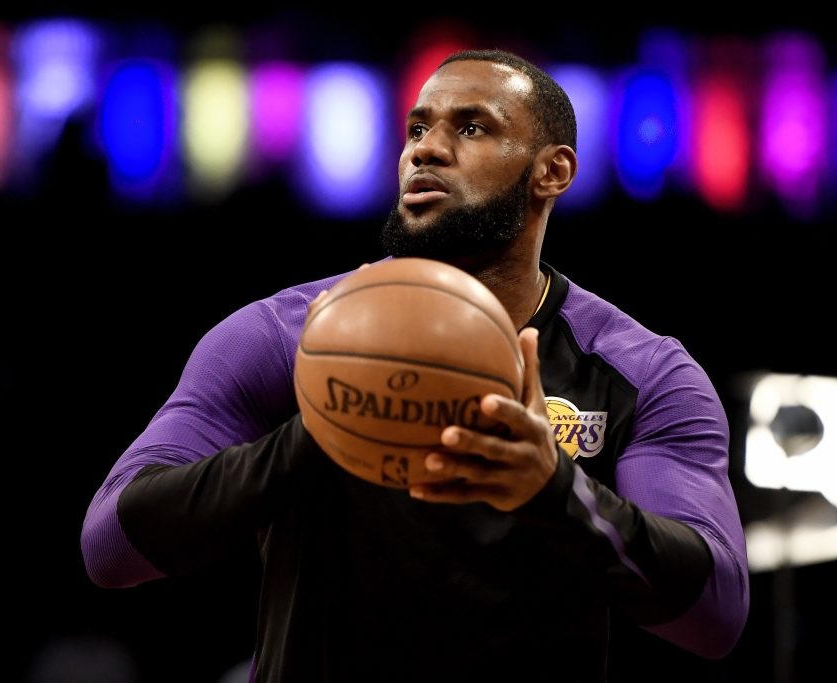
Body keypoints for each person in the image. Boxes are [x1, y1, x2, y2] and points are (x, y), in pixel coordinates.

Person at [81, 50, 748, 682]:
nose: (426, 147)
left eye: (473, 127)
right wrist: (320, 428)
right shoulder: (285, 336)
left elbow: (715, 616)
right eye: (418, 126)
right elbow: (112, 548)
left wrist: (553, 490)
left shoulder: (642, 370)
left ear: (553, 171)